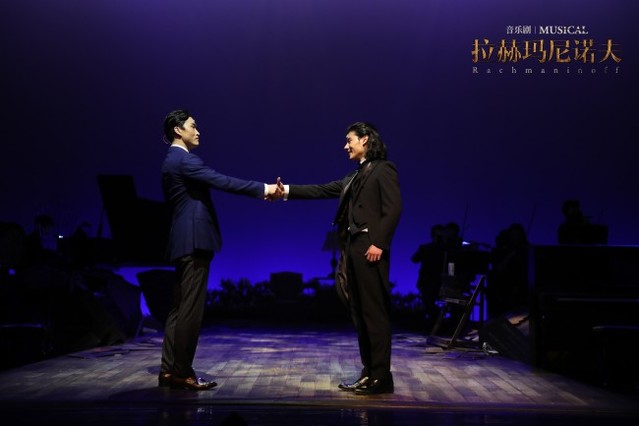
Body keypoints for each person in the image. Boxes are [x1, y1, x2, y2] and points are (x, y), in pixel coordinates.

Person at [159, 109, 282, 391]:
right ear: (178, 130)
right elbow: (222, 180)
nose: (198, 131)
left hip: (181, 241)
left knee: (178, 309)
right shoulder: (184, 160)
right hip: (194, 241)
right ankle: (182, 372)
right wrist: (265, 189)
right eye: (193, 126)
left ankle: (168, 370)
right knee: (190, 310)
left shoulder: (170, 161)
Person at [279, 122, 402, 395]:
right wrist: (285, 190)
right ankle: (369, 372)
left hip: (370, 248)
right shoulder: (354, 176)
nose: (345, 146)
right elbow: (321, 190)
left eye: (349, 140)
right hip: (353, 248)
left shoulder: (384, 169)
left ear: (365, 140)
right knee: (359, 313)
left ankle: (382, 376)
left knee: (374, 313)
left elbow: (393, 209)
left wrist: (379, 243)